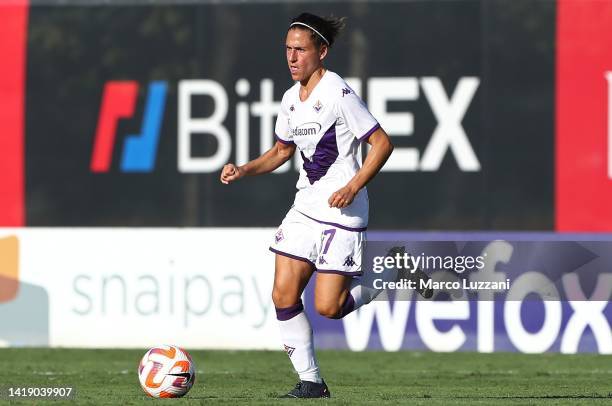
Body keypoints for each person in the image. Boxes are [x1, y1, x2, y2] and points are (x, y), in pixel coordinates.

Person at [220, 12, 398, 398]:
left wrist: (353, 186)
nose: (292, 57)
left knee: (329, 308)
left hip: (341, 212)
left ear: (322, 51)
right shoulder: (289, 99)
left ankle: (390, 276)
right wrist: (245, 169)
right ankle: (311, 382)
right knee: (283, 295)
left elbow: (382, 143)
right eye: (287, 49)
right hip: (304, 210)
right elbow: (281, 151)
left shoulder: (337, 92)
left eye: (300, 49)